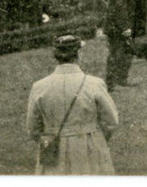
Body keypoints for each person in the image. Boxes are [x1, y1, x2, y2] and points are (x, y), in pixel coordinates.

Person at [26, 34, 118, 175]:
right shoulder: (94, 84)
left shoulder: (39, 87)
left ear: (56, 56)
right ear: (79, 54)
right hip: (89, 146)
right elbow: (111, 121)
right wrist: (95, 138)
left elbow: (33, 128)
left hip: (54, 150)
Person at [105, 0, 138, 90]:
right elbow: (119, 6)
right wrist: (125, 27)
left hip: (120, 22)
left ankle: (122, 80)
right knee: (117, 52)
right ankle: (112, 83)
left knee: (125, 51)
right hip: (117, 25)